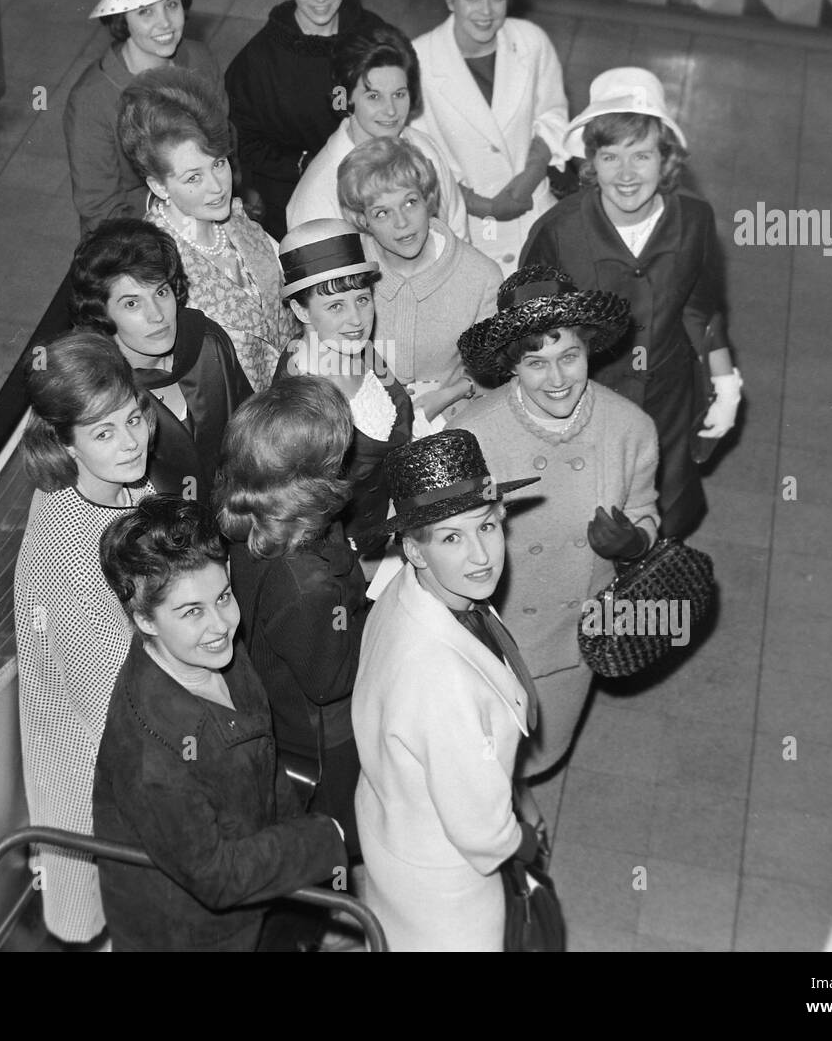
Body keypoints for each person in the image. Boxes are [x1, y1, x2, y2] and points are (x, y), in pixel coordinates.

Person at [451, 265, 659, 821]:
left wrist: (635, 541)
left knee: (544, 741)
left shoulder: (630, 428)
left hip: (574, 633)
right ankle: (504, 807)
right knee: (484, 748)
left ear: (589, 349)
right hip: (498, 633)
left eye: (569, 356)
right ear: (513, 367)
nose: (557, 378)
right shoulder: (474, 433)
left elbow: (646, 513)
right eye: (535, 363)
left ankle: (518, 790)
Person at [93, 496, 347, 951]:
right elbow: (218, 876)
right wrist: (331, 837)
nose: (222, 625)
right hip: (196, 935)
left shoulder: (214, 655)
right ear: (144, 620)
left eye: (224, 597)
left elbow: (265, 765)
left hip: (264, 900)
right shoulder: (153, 752)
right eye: (191, 611)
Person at [12, 330, 185, 945]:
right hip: (101, 780)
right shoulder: (68, 559)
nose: (132, 441)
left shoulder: (111, 489)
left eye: (133, 419)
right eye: (104, 433)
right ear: (63, 442)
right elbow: (115, 709)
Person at [521, 67, 742, 538]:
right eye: (610, 156)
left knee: (663, 521)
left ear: (665, 161)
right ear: (590, 162)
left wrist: (725, 384)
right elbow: (529, 335)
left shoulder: (695, 221)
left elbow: (701, 309)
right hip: (585, 405)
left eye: (641, 155)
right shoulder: (558, 234)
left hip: (668, 400)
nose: (625, 174)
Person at [351, 429, 543, 952]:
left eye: (486, 527)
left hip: (396, 827)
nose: (481, 556)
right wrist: (521, 841)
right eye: (451, 537)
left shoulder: (415, 590)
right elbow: (480, 829)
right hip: (447, 885)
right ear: (414, 549)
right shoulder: (441, 679)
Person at [214, 377, 368, 850]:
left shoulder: (260, 520)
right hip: (324, 738)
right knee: (338, 832)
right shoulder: (307, 584)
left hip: (278, 702)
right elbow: (333, 680)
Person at [117, 66, 297, 392]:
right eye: (193, 177)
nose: (217, 187)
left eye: (218, 163)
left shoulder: (238, 220)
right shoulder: (149, 264)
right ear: (158, 185)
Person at [225, 0, 385, 239]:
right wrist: (302, 163)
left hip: (376, 192)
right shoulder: (258, 61)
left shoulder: (376, 38)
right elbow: (246, 144)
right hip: (296, 201)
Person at [412, 0, 571, 271]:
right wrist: (484, 206)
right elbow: (420, 155)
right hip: (464, 225)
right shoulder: (419, 59)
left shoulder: (531, 42)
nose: (486, 11)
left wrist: (525, 182)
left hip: (534, 211)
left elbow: (554, 116)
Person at [275, 218, 426, 556]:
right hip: (352, 559)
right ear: (301, 310)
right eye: (335, 306)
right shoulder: (299, 399)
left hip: (396, 530)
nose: (357, 320)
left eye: (362, 299)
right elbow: (305, 515)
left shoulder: (364, 352)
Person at [70, 217, 252, 493]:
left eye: (161, 292)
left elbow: (253, 430)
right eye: (132, 303)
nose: (157, 315)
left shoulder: (206, 342)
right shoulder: (98, 390)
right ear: (101, 312)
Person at [63, 0, 226, 235]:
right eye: (145, 11)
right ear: (122, 20)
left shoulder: (200, 59)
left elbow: (225, 143)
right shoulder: (92, 100)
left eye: (172, 5)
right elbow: (100, 210)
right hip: (140, 239)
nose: (164, 23)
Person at [337, 136, 501, 422]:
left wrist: (448, 395)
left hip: (456, 423)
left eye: (410, 202)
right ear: (363, 220)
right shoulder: (347, 267)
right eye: (382, 212)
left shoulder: (482, 276)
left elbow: (497, 372)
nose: (401, 222)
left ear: (428, 198)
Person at [285, 22, 467, 238]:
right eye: (374, 96)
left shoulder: (425, 148)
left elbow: (458, 234)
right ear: (344, 98)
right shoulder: (318, 195)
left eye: (399, 94)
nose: (391, 111)